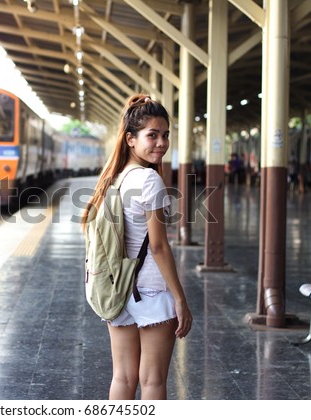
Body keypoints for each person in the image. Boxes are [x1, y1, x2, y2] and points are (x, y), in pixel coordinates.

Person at [82, 94, 193, 400]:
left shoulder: (112, 179)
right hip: (152, 292)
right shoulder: (148, 180)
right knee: (153, 380)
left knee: (123, 376)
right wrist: (180, 299)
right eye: (152, 135)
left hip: (117, 290)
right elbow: (158, 247)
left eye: (165, 135)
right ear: (131, 139)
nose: (161, 142)